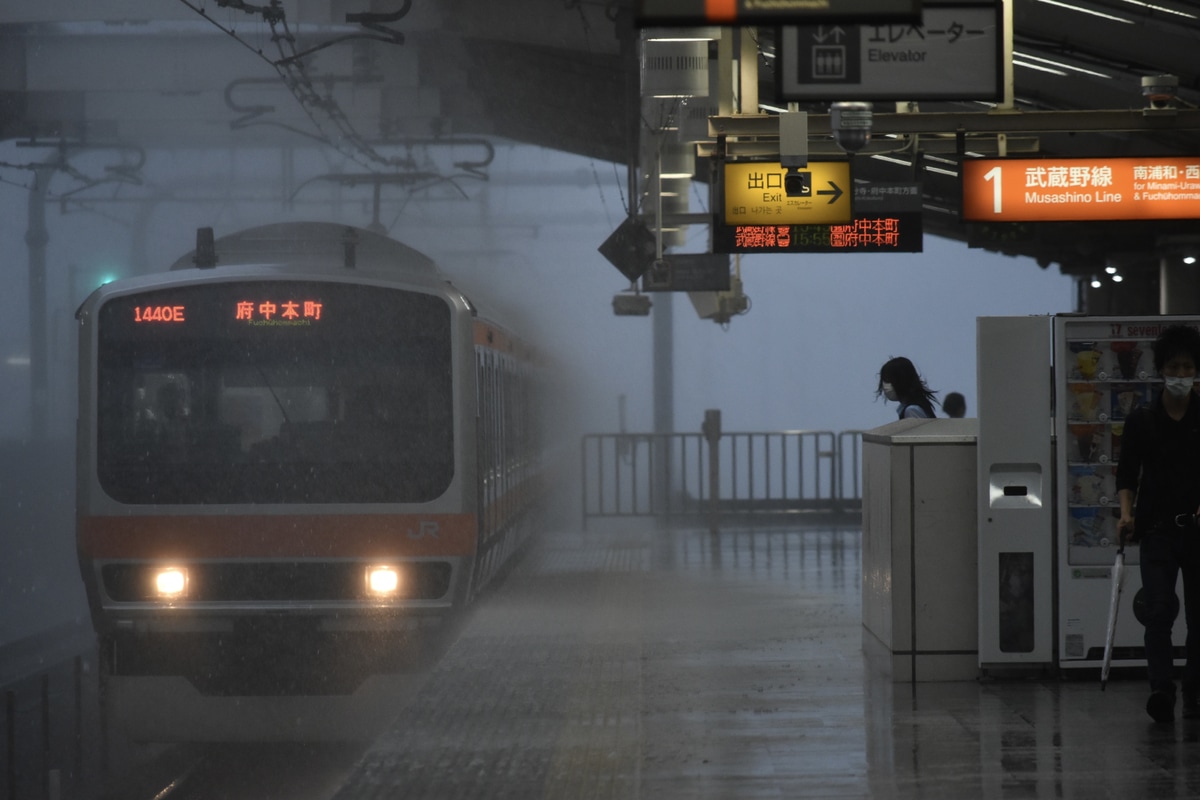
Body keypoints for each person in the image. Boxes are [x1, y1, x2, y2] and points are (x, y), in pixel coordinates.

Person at [1116, 324, 1200, 723]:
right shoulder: (1143, 420)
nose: (1181, 375)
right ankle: (1161, 689)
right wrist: (1127, 513)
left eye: (1187, 368)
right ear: (1161, 370)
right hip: (1156, 530)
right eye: (1174, 367)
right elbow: (1126, 474)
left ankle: (1195, 689)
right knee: (1159, 609)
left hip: (1198, 530)